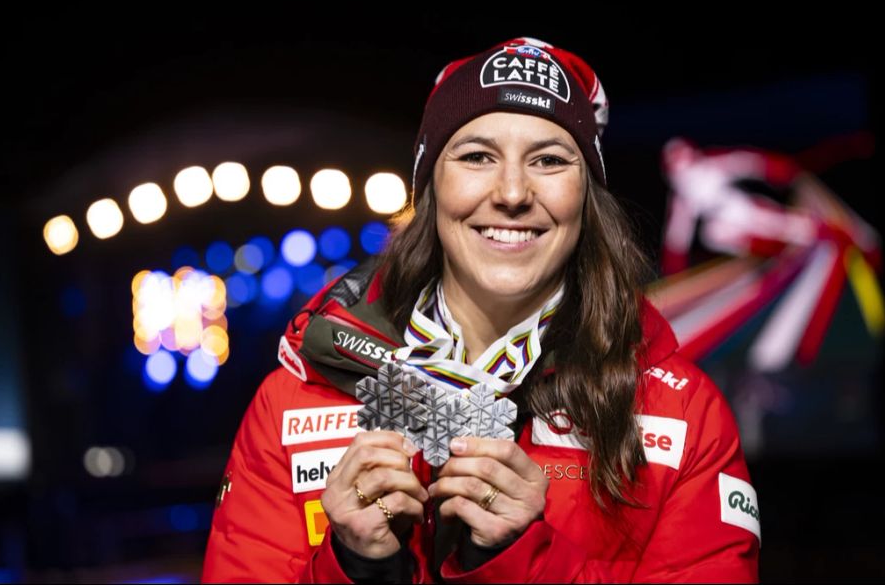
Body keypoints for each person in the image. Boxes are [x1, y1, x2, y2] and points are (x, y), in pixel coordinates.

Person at [202, 36, 761, 583]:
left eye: (548, 159)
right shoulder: (293, 404)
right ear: (431, 187)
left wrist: (525, 561)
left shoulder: (680, 417)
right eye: (476, 156)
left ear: (586, 197)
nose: (513, 192)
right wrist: (357, 566)